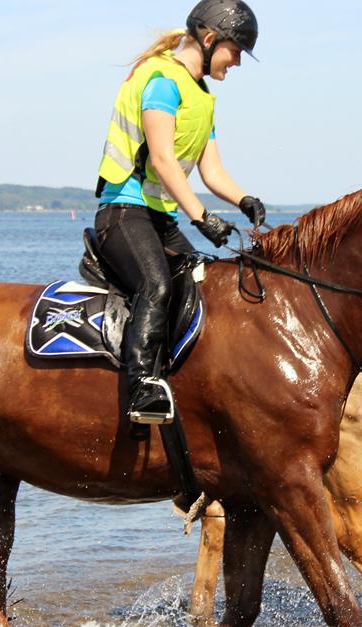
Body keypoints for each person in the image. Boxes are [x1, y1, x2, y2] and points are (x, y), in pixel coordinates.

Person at [94, 0, 266, 425]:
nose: (238, 62)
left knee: (200, 286)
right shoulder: (162, 81)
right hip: (123, 212)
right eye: (236, 50)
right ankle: (141, 390)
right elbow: (164, 159)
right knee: (157, 286)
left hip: (159, 219)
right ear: (210, 40)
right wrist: (201, 217)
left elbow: (212, 170)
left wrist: (244, 199)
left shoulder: (203, 97)